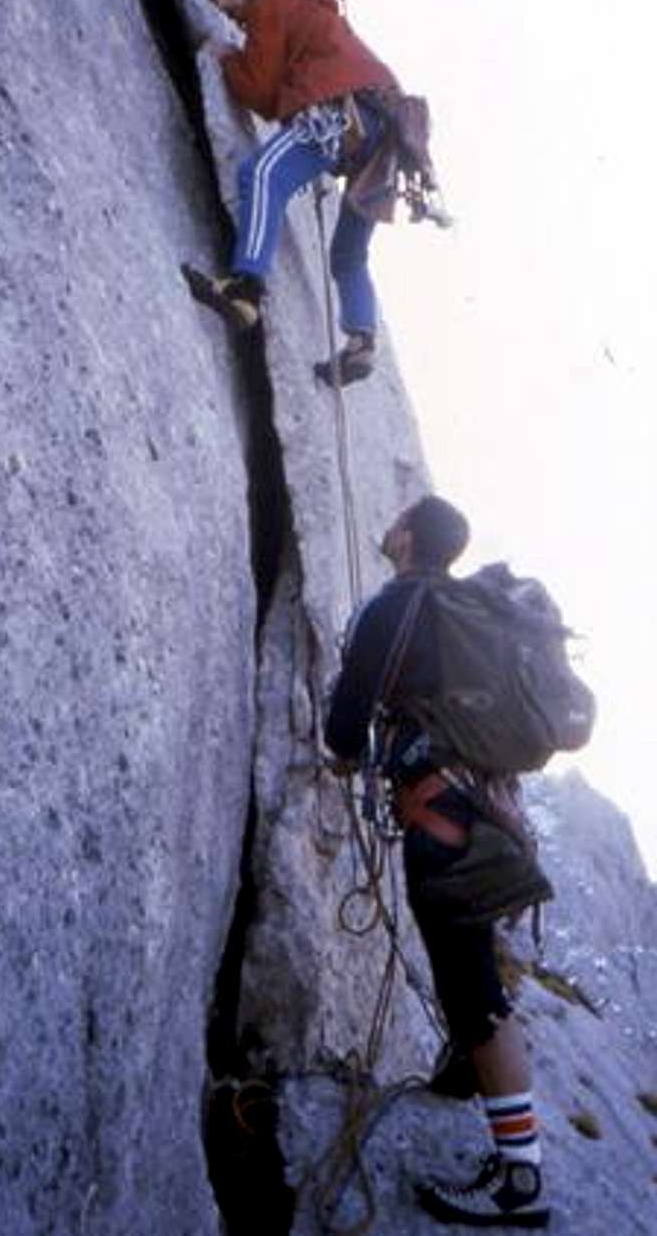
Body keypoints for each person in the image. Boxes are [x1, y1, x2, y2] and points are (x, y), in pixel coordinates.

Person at [325, 495, 551, 1229]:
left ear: (408, 537)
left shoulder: (391, 606)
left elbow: (343, 726)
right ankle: (480, 1091)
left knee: (473, 985)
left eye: (396, 520)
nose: (385, 525)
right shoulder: (462, 611)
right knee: (474, 969)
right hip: (483, 814)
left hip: (437, 817)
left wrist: (348, 751)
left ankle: (522, 1181)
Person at [191, 0, 401, 386]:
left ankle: (245, 287)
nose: (226, 6)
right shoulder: (301, 4)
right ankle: (362, 341)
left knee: (262, 174)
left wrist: (228, 59)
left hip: (345, 113)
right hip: (383, 132)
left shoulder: (271, 3)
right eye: (216, 1)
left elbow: (262, 91)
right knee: (348, 254)